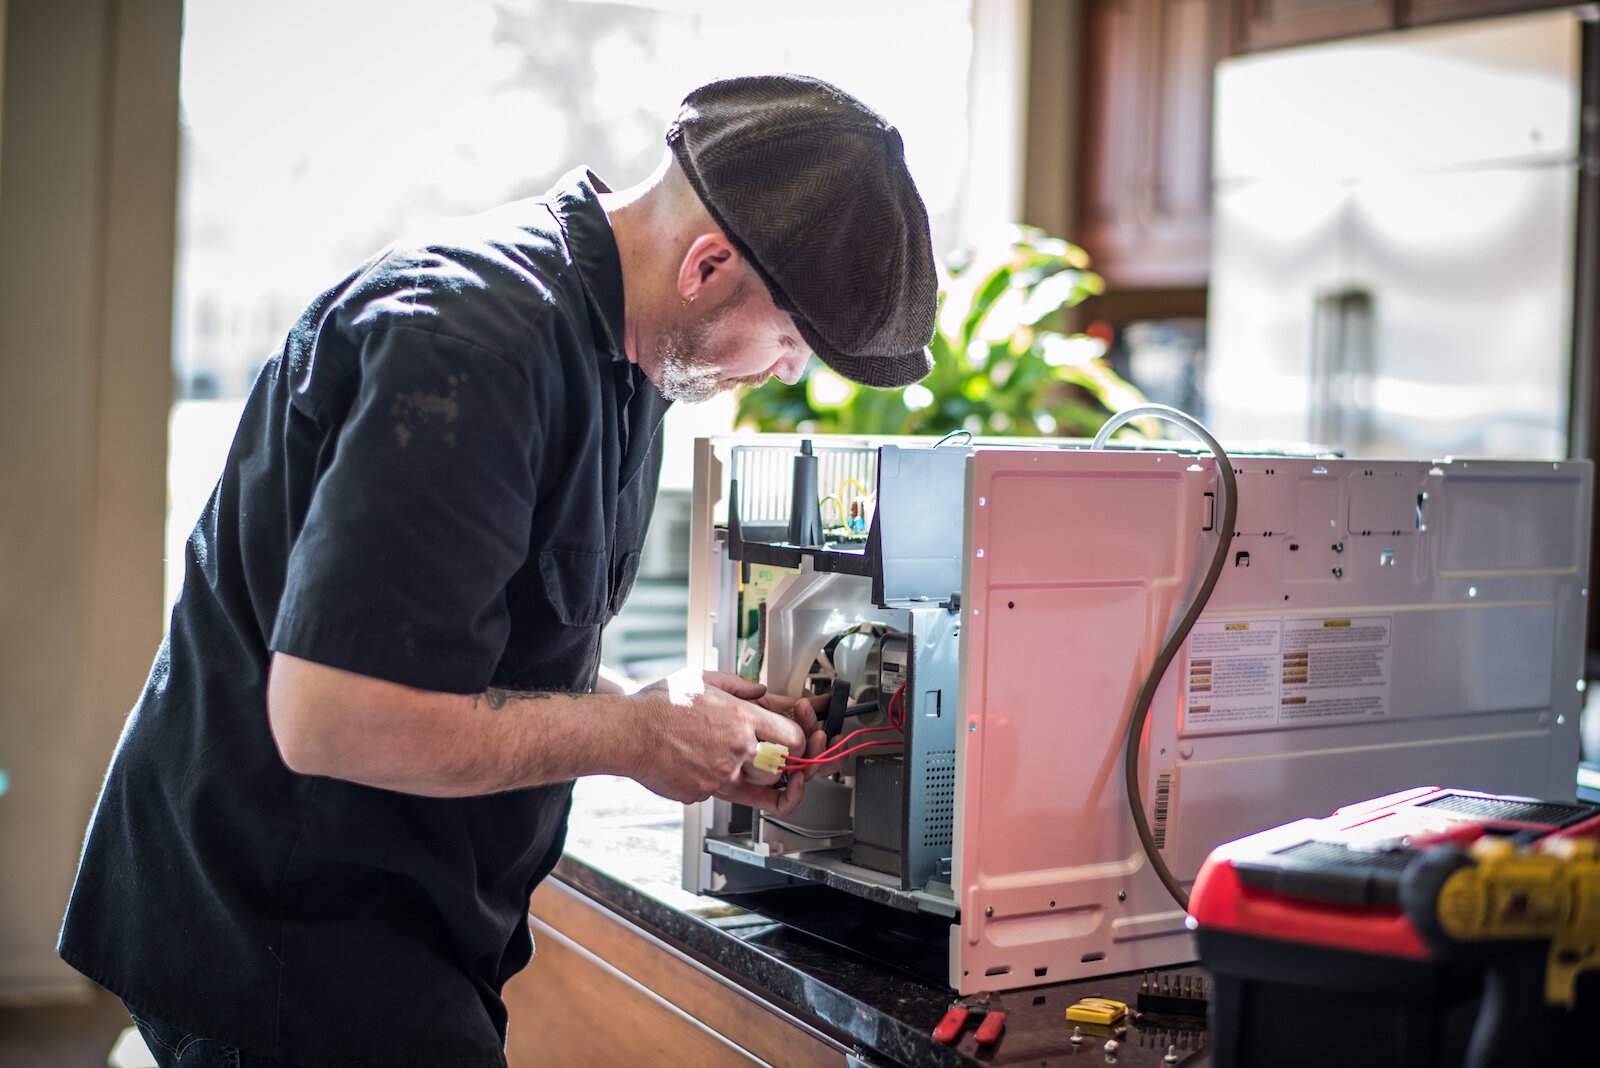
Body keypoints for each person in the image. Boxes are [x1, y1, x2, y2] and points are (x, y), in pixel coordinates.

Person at [58, 73, 937, 1068]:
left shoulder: (628, 357)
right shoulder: (470, 344)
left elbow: (465, 639)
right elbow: (332, 716)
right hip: (279, 918)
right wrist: (635, 734)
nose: (782, 371)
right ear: (708, 265)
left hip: (388, 912)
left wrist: (656, 710)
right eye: (788, 340)